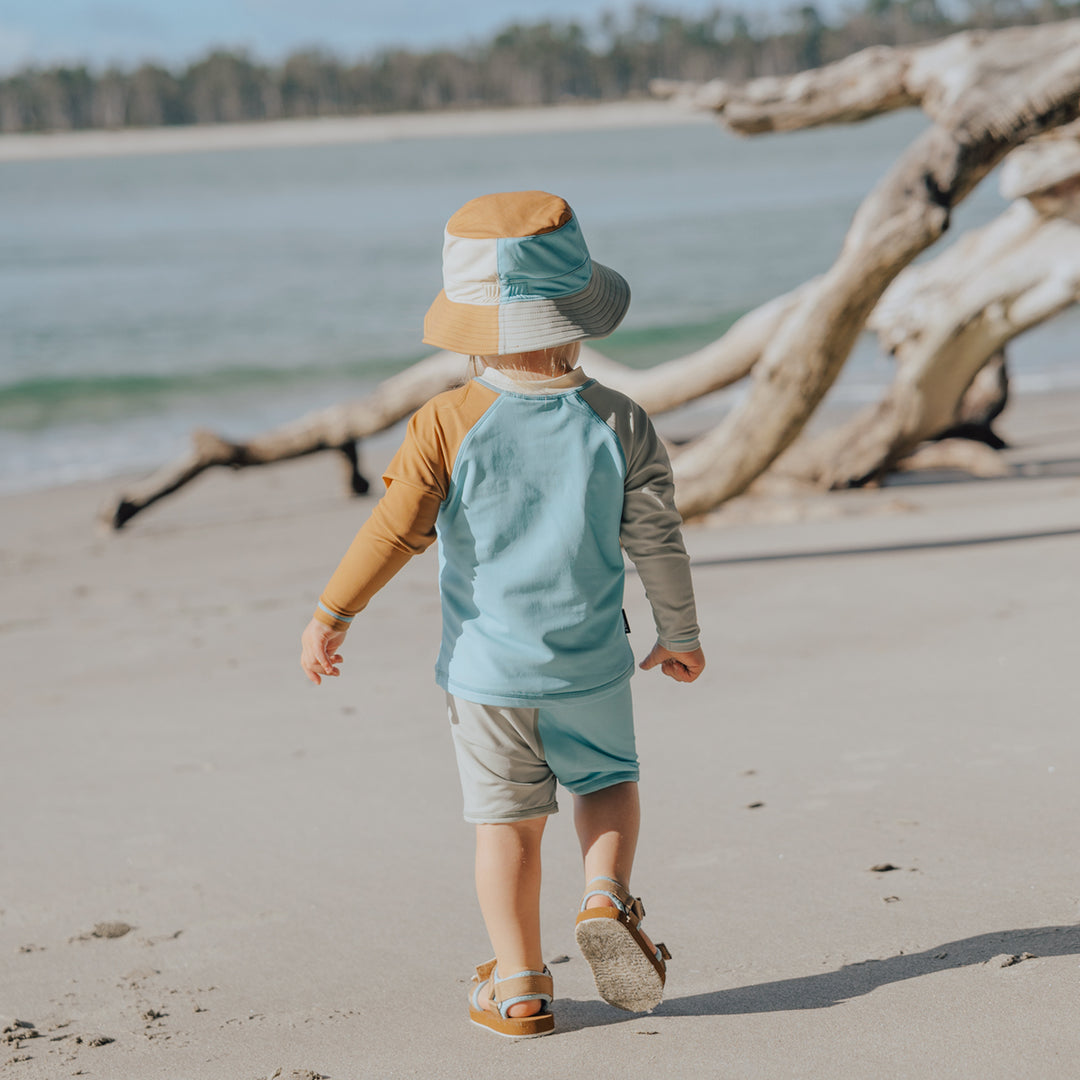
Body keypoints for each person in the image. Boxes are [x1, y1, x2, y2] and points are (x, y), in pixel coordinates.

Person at [300, 190, 705, 1038]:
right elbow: (657, 542)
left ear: (474, 325)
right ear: (578, 316)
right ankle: (607, 896)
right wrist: (680, 633)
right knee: (606, 782)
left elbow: (394, 531)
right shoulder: (619, 420)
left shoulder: (445, 421)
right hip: (592, 659)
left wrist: (334, 610)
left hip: (487, 676)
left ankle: (520, 986)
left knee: (507, 825)